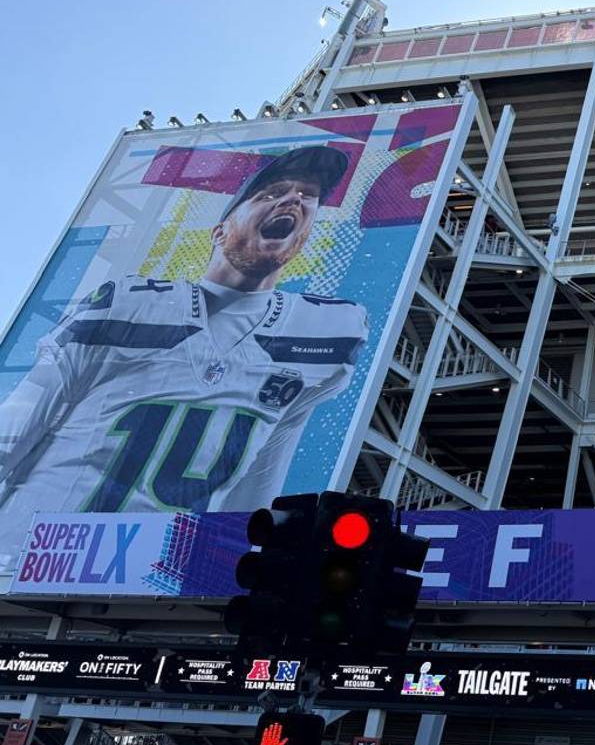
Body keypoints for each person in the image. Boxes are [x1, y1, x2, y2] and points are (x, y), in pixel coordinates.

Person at [0, 145, 370, 527]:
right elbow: (15, 429)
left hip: (157, 573)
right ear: (219, 231)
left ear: (304, 237)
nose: (295, 199)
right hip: (29, 558)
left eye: (308, 197)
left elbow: (256, 489)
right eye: (272, 193)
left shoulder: (328, 331)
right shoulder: (125, 303)